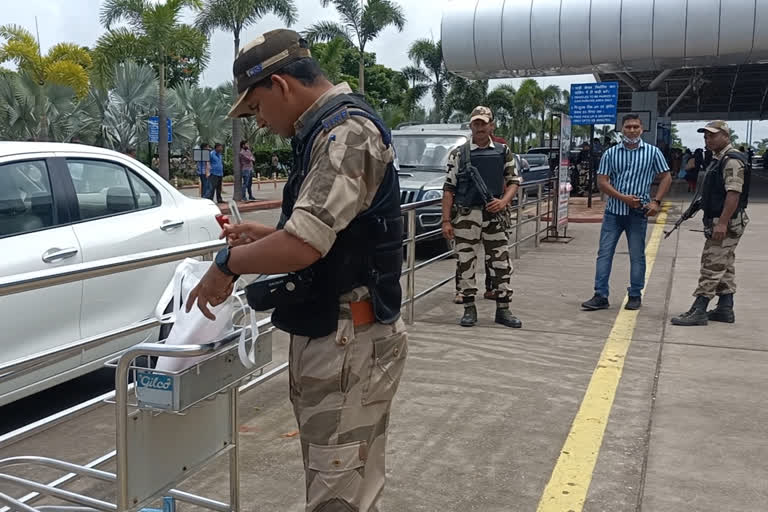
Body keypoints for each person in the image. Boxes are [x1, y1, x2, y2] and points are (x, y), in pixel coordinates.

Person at [184, 29, 407, 512]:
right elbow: (332, 237)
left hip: (349, 341)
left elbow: (305, 244)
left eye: (257, 108)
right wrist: (268, 241)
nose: (260, 122)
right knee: (347, 480)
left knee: (338, 489)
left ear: (281, 85)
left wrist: (227, 266)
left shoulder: (345, 133)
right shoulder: (328, 132)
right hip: (345, 333)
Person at [442, 105, 523, 328]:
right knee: (466, 262)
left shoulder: (502, 151)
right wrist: (446, 220)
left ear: (491, 126)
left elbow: (514, 180)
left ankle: (503, 309)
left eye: (483, 123)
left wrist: (504, 201)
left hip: (494, 214)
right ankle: (469, 308)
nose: (479, 127)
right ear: (471, 126)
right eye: (476, 123)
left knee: (501, 262)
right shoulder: (459, 154)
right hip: (467, 216)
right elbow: (448, 188)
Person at [581, 114, 672, 311]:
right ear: (622, 129)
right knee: (604, 254)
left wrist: (656, 201)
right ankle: (600, 295)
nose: (632, 130)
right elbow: (602, 182)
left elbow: (666, 177)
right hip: (614, 213)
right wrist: (623, 198)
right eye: (628, 127)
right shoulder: (611, 154)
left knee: (637, 255)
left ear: (642, 129)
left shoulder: (652, 152)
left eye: (635, 127)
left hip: (638, 214)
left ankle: (635, 294)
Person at [671, 121, 750, 326]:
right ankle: (725, 308)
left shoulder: (731, 161)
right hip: (720, 219)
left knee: (711, 264)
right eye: (705, 136)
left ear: (725, 135)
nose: (707, 139)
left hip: (727, 221)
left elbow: (733, 194)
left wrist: (722, 223)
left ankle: (699, 309)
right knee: (725, 264)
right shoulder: (718, 159)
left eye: (712, 135)